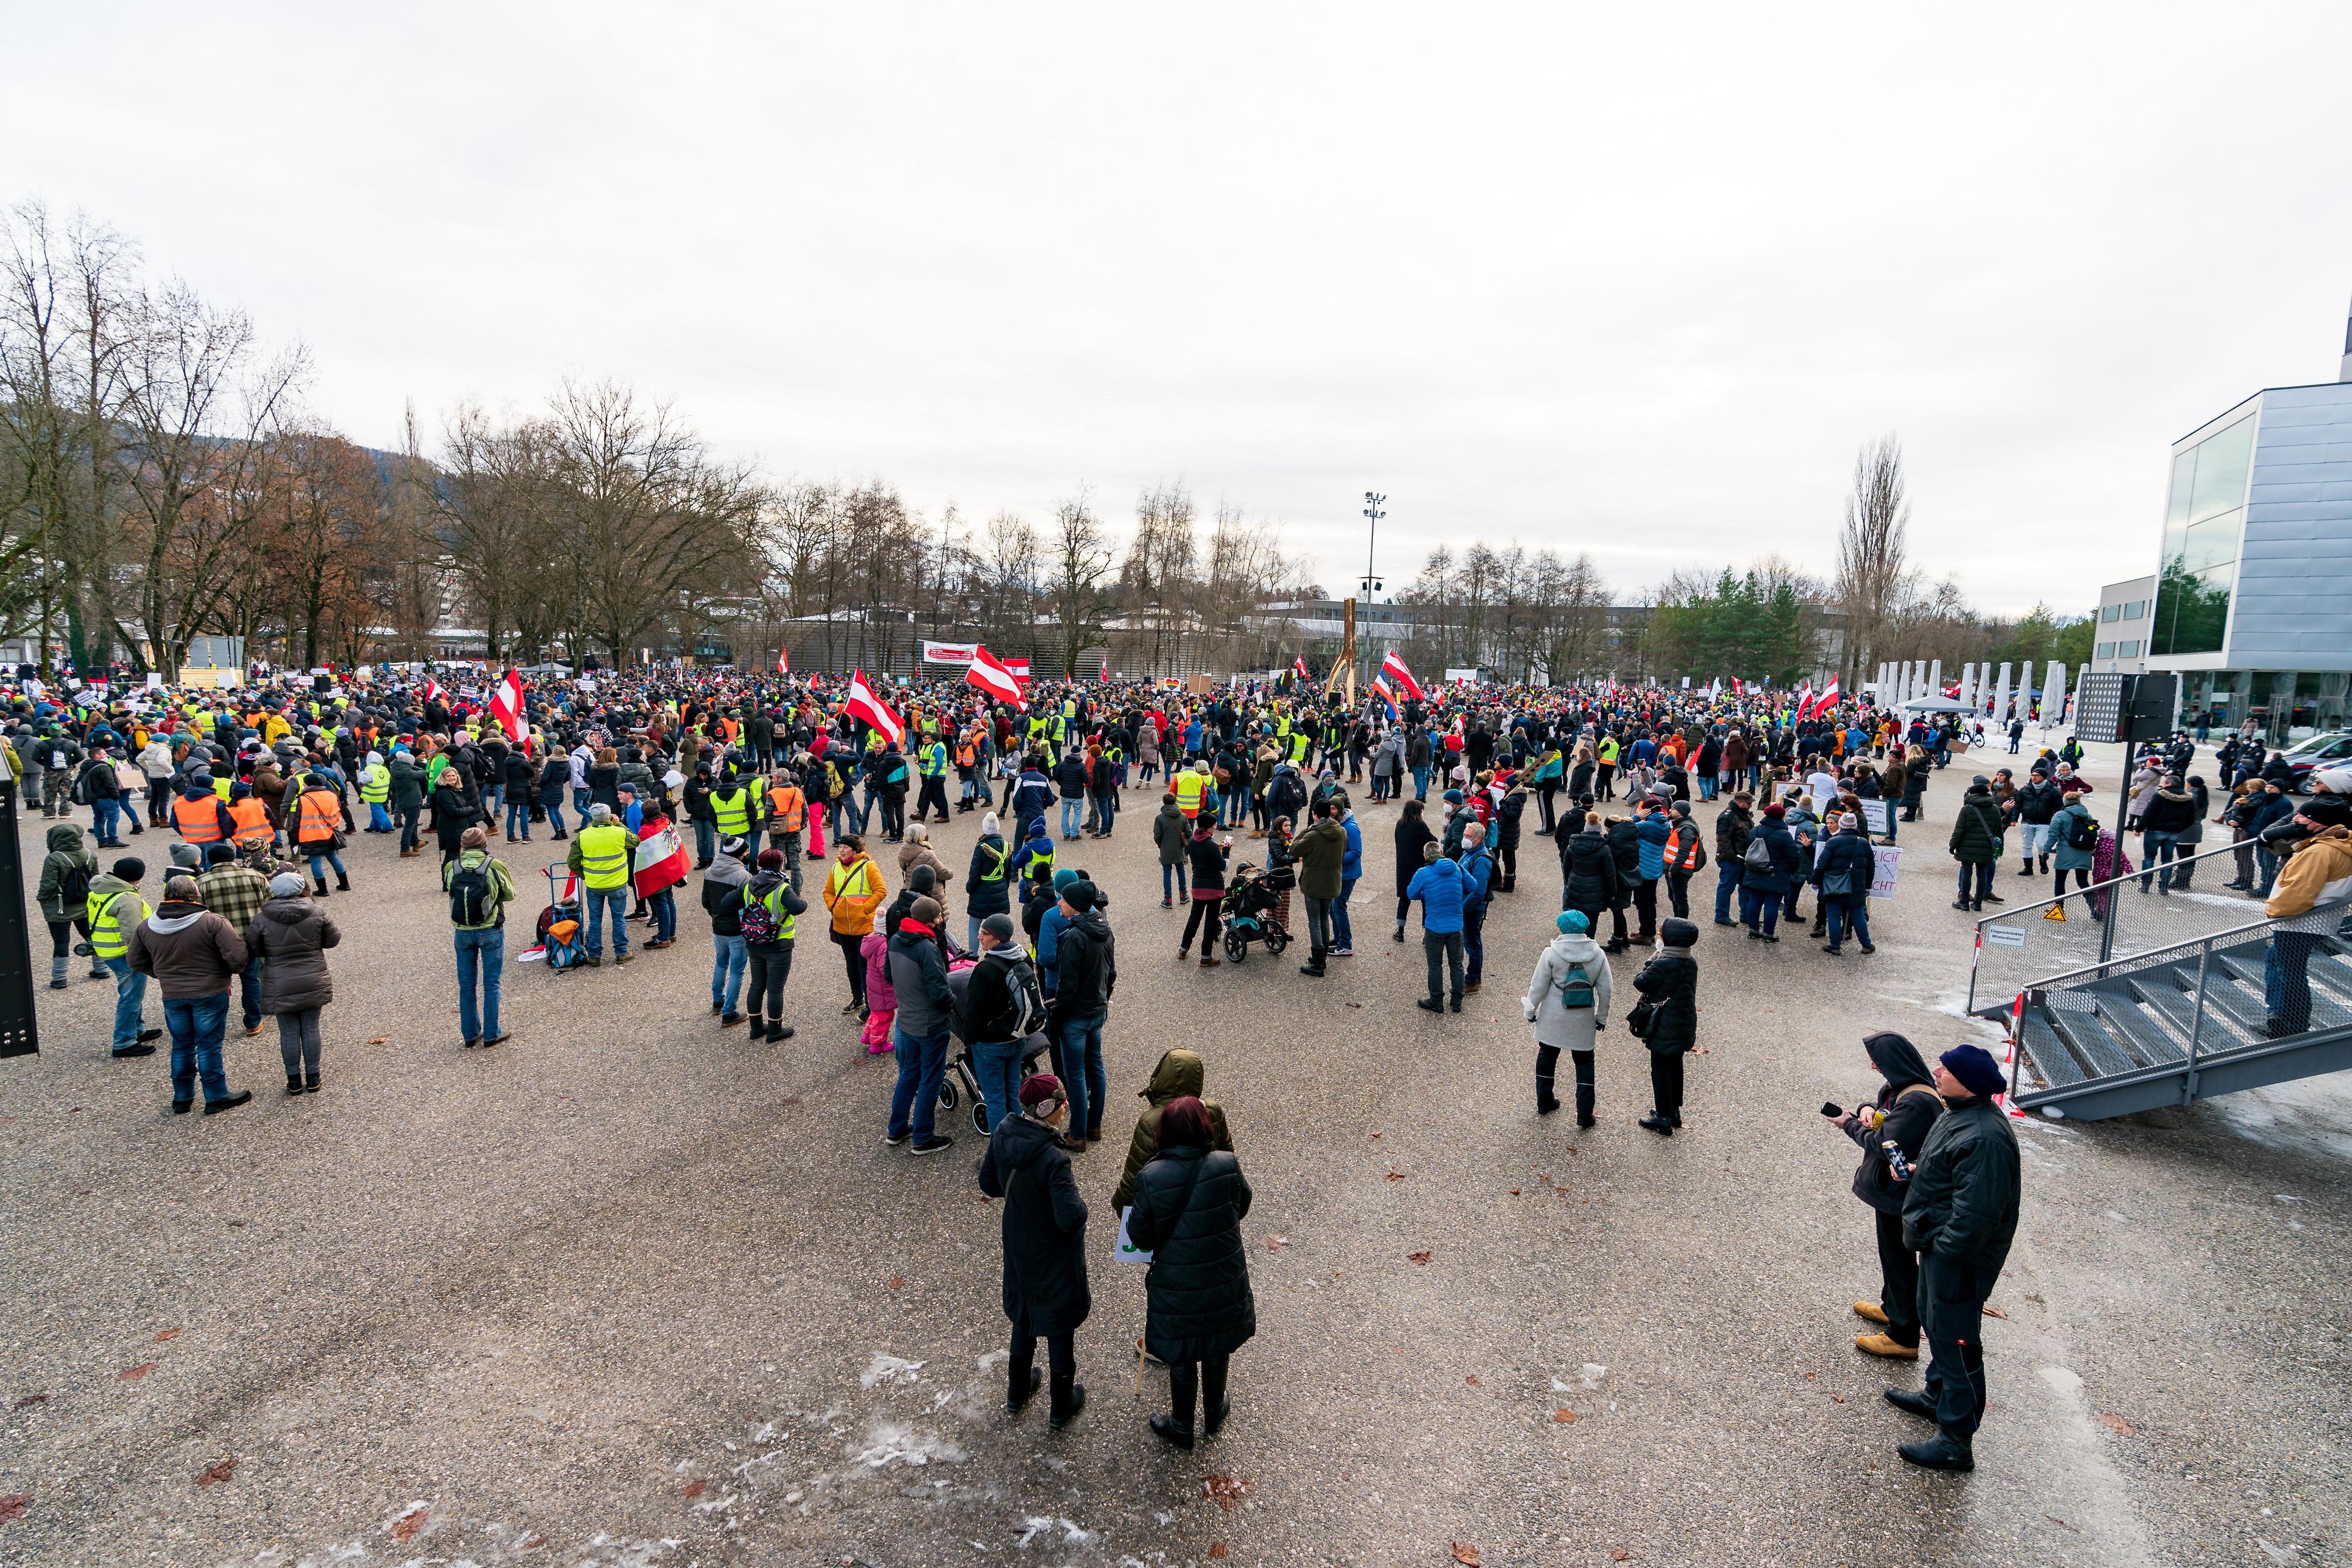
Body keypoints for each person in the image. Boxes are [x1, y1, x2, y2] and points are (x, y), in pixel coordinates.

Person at [1887, 1045, 2022, 1472]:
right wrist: (1913, 1170)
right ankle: (1935, 1396)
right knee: (1937, 1325)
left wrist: (1943, 1248)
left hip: (1958, 1258)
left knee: (1957, 1341)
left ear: (1970, 1081)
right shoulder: (1958, 1113)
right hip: (1939, 1246)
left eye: (1947, 1068)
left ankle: (1955, 1441)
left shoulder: (1985, 1136)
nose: (1937, 1071)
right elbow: (1947, 1174)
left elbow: (1976, 1215)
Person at [1124, 1095, 1255, 1449]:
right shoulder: (1227, 1163)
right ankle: (1213, 1412)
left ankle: (1182, 1425)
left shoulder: (1150, 1175)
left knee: (1182, 1350)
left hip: (1175, 1279)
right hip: (1222, 1271)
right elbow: (1242, 1203)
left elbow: (1139, 1235)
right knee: (1216, 1344)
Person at [977, 1072, 1091, 1430]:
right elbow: (1070, 1218)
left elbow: (989, 1183)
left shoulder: (1003, 1133)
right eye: (1061, 1103)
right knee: (1058, 1321)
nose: (1067, 1106)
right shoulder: (1054, 1160)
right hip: (1052, 1252)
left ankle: (1017, 1390)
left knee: (1024, 1311)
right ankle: (1061, 1405)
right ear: (1046, 1111)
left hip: (1017, 1240)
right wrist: (1083, 1208)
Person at [1823, 1032, 1943, 1360]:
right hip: (1892, 1191)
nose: (1874, 1065)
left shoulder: (1918, 1101)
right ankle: (1892, 1308)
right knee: (1892, 1256)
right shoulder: (1901, 1088)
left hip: (1900, 1193)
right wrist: (1867, 1109)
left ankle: (1903, 1335)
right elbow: (1888, 1118)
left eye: (1879, 1060)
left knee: (1900, 1260)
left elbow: (1884, 1143)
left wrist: (1848, 1123)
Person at [125, 873, 252, 1115]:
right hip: (211, 991)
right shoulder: (213, 922)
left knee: (182, 1046)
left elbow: (135, 960)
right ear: (195, 895)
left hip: (173, 994)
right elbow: (237, 958)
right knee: (209, 1045)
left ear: (166, 896)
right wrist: (224, 973)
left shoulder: (147, 926)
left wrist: (163, 974)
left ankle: (182, 1097)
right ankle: (216, 1095)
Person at [246, 870, 341, 1095]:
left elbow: (254, 948)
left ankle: (293, 1080)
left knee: (288, 1032)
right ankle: (314, 1076)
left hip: (280, 980)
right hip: (312, 976)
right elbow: (333, 940)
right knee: (310, 1027)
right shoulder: (317, 912)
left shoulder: (262, 918)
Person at [2261, 814, 2352, 1037]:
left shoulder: (2320, 851)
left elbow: (2300, 892)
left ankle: (2294, 1023)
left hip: (2301, 920)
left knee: (2291, 972)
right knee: (2281, 964)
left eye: (2302, 816)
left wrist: (2275, 911)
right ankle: (2281, 1018)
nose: (2296, 819)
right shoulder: (2332, 847)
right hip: (2312, 919)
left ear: (2318, 822)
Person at [1110, 1049, 1235, 1211]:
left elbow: (1133, 1182)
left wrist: (1123, 1210)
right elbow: (1228, 1157)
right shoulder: (1212, 1110)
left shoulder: (1152, 1120)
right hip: (1205, 1202)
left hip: (1164, 1206)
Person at [1522, 910, 1612, 1126]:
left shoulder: (1551, 953)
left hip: (1553, 1015)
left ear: (1562, 928)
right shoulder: (1598, 954)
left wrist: (1530, 1011)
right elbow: (1606, 989)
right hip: (1583, 1019)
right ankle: (1584, 1114)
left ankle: (1545, 1101)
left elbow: (1538, 986)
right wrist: (1601, 1017)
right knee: (1584, 1062)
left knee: (1547, 1055)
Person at [885, 893, 957, 1155]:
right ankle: (923, 1138)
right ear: (931, 920)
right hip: (930, 1025)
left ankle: (897, 1129)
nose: (941, 919)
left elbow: (888, 975)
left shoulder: (895, 939)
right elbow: (940, 993)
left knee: (908, 1075)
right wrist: (954, 1000)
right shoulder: (926, 948)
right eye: (938, 915)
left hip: (905, 1020)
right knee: (930, 1079)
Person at [1049, 879, 1117, 1149]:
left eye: (1063, 900)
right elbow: (1111, 974)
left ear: (1074, 907)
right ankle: (1094, 1125)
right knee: (1096, 1066)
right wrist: (1104, 1001)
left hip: (1076, 1016)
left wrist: (1056, 1019)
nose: (1059, 903)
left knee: (1075, 1073)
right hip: (1097, 1010)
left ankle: (1077, 1134)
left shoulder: (1073, 937)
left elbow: (1067, 987)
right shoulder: (1105, 931)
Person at [959, 914, 1042, 1131]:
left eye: (985, 934)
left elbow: (974, 1011)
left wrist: (970, 1040)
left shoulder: (986, 969)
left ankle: (1001, 1150)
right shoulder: (1023, 956)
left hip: (990, 1043)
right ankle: (1018, 1139)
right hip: (1016, 1036)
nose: (979, 937)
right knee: (1013, 1090)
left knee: (995, 1098)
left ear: (997, 940)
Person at [445, 825, 516, 1048]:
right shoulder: (493, 865)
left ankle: (470, 1033)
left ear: (462, 847)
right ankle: (491, 1033)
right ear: (485, 845)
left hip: (462, 931)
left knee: (466, 985)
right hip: (490, 928)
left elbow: (450, 890)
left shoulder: (452, 867)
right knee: (491, 983)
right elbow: (510, 894)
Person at [1629, 917, 1699, 1135]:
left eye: (1661, 935)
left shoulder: (1663, 963)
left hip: (1664, 1024)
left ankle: (1662, 1117)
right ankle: (1673, 1110)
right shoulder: (1690, 961)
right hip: (1683, 1022)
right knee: (1676, 1066)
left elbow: (1640, 981)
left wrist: (1655, 956)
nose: (1659, 937)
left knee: (1660, 1069)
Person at [86, 856, 160, 1059]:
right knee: (131, 996)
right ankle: (124, 1042)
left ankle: (137, 1030)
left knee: (132, 993)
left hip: (106, 948)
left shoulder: (100, 887)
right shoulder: (127, 898)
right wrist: (145, 956)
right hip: (123, 952)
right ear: (138, 877)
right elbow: (133, 933)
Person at [197, 843, 273, 1038]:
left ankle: (213, 1026)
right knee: (251, 980)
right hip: (251, 939)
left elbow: (197, 916)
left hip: (218, 942)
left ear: (210, 860)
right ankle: (253, 1023)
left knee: (218, 983)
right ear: (233, 857)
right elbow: (270, 905)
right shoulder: (255, 876)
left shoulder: (201, 883)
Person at [740, 847, 807, 1042]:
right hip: (778, 945)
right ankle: (775, 1029)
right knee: (775, 989)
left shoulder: (749, 885)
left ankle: (756, 1028)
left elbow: (728, 901)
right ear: (780, 865)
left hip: (754, 943)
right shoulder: (781, 888)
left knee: (756, 985)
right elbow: (799, 907)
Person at [567, 803, 639, 968]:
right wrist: (619, 823)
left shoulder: (584, 835)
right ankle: (621, 952)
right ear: (609, 817)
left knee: (595, 921)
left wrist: (585, 875)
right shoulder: (619, 832)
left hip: (595, 885)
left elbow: (573, 862)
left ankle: (594, 955)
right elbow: (635, 841)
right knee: (618, 918)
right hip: (617, 883)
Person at [34, 823, 102, 992]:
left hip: (60, 906)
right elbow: (95, 880)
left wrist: (42, 899)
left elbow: (48, 884)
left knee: (61, 941)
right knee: (91, 936)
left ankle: (60, 978)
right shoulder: (89, 854)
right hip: (84, 904)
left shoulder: (54, 858)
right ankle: (101, 969)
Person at [823, 835, 886, 1015]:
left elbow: (881, 890)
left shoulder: (868, 866)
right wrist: (833, 907)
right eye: (840, 847)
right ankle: (857, 998)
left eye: (845, 847)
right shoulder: (835, 868)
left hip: (864, 925)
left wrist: (865, 909)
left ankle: (869, 1004)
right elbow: (828, 891)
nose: (841, 850)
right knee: (851, 963)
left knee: (864, 965)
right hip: (842, 925)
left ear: (855, 849)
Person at [1407, 841, 1466, 1014]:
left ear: (1425, 856)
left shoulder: (1423, 873)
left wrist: (1426, 893)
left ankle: (1436, 1001)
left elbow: (1411, 893)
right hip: (1456, 926)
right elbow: (1473, 886)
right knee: (1457, 965)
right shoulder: (1457, 868)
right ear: (1442, 851)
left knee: (1435, 965)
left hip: (1435, 927)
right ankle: (1457, 1001)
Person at [701, 834, 752, 1025]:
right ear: (740, 854)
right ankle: (729, 1012)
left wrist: (716, 916)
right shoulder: (744, 877)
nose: (748, 853)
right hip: (737, 930)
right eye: (746, 851)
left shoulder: (709, 871)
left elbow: (705, 901)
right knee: (737, 972)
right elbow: (749, 905)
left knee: (721, 963)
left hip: (718, 927)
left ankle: (717, 1001)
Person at [1293, 798, 1347, 976]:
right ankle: (1321, 956)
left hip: (1315, 882)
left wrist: (1306, 830)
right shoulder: (1342, 831)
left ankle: (1318, 963)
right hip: (1332, 881)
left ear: (1315, 815)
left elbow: (1294, 849)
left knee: (1315, 921)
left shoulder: (1313, 834)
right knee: (1324, 919)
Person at [1815, 813, 1877, 955]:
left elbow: (1822, 864)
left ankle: (1835, 946)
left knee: (1834, 915)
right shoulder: (1863, 843)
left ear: (1841, 825)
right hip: (1856, 885)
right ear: (1854, 825)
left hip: (1834, 883)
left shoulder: (1833, 842)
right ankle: (1866, 945)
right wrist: (1867, 886)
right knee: (1857, 915)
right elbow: (1870, 868)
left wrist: (1816, 882)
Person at [1947, 775, 2006, 912]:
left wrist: (1953, 845)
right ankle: (1978, 903)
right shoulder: (1995, 808)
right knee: (1982, 874)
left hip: (1967, 846)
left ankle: (1964, 902)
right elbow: (1999, 831)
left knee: (1967, 873)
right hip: (1986, 846)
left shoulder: (1967, 808)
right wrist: (2000, 847)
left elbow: (1959, 829)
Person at [1180, 819, 1230, 966]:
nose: (1216, 827)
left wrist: (1216, 851)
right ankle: (1206, 956)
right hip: (1214, 888)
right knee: (1210, 922)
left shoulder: (1192, 842)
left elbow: (1204, 858)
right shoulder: (1211, 845)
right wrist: (1226, 851)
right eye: (1214, 825)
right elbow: (1223, 867)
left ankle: (1183, 949)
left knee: (1194, 919)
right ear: (1207, 828)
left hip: (1198, 887)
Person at [965, 811, 1013, 954]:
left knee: (974, 928)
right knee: (999, 930)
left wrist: (970, 888)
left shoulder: (981, 848)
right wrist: (1004, 888)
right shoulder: (1007, 847)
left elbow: (974, 873)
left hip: (981, 891)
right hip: (999, 890)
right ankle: (999, 954)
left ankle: (972, 957)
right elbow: (1008, 873)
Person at [1392, 798, 1436, 942]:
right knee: (1425, 899)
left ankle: (1400, 930)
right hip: (1419, 866)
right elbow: (1431, 840)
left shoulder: (1400, 824)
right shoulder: (1420, 825)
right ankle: (1426, 932)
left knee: (1405, 898)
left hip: (1403, 866)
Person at [1153, 792, 1190, 908]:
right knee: (1181, 871)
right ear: (1175, 802)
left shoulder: (1160, 818)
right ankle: (1183, 895)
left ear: (1164, 803)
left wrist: (1161, 845)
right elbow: (1189, 833)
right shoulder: (1183, 816)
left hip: (1166, 849)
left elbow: (1157, 836)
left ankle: (1168, 899)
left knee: (1167, 874)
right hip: (1179, 848)